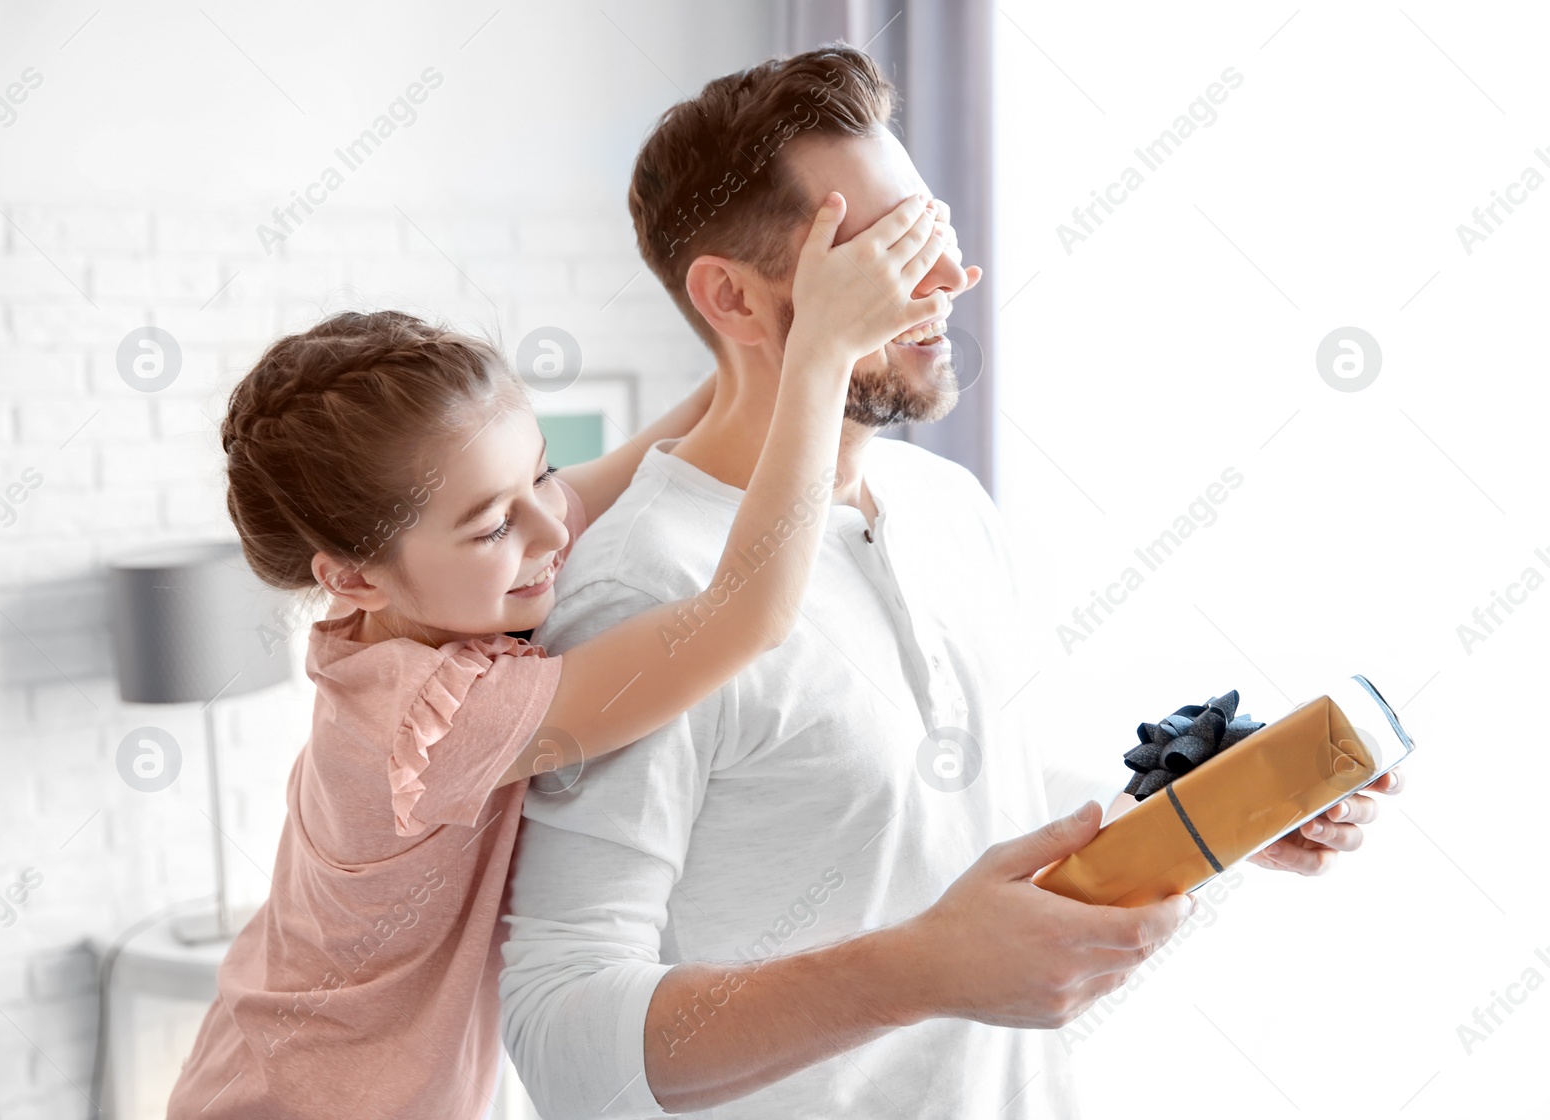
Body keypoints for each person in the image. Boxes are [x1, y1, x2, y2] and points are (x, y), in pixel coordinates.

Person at [499, 45, 1402, 1119]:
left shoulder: (945, 507)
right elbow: (558, 1032)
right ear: (731, 300)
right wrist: (914, 968)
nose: (948, 281)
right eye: (886, 255)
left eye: (937, 234)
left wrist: (1221, 812)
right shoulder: (648, 595)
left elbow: (978, 826)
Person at [163, 193, 947, 1119]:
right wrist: (816, 358)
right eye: (496, 524)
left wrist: (771, 335)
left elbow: (645, 458)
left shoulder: (425, 598)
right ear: (355, 578)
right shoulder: (436, 721)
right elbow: (744, 619)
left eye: (539, 469)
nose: (551, 524)